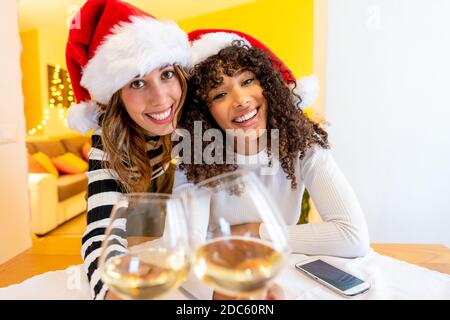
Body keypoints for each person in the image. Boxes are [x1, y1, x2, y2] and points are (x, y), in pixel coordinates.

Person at [174, 30, 371, 299]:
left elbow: (352, 235)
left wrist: (252, 231)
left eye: (248, 81)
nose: (241, 100)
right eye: (219, 94)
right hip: (220, 280)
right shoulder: (195, 159)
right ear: (205, 111)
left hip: (280, 276)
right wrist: (228, 294)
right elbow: (182, 251)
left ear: (268, 86)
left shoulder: (302, 145)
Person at [65, 0, 190, 300]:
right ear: (117, 95)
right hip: (141, 218)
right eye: (136, 82)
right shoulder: (109, 143)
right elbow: (101, 233)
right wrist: (112, 291)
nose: (160, 99)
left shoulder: (198, 115)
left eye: (166, 74)